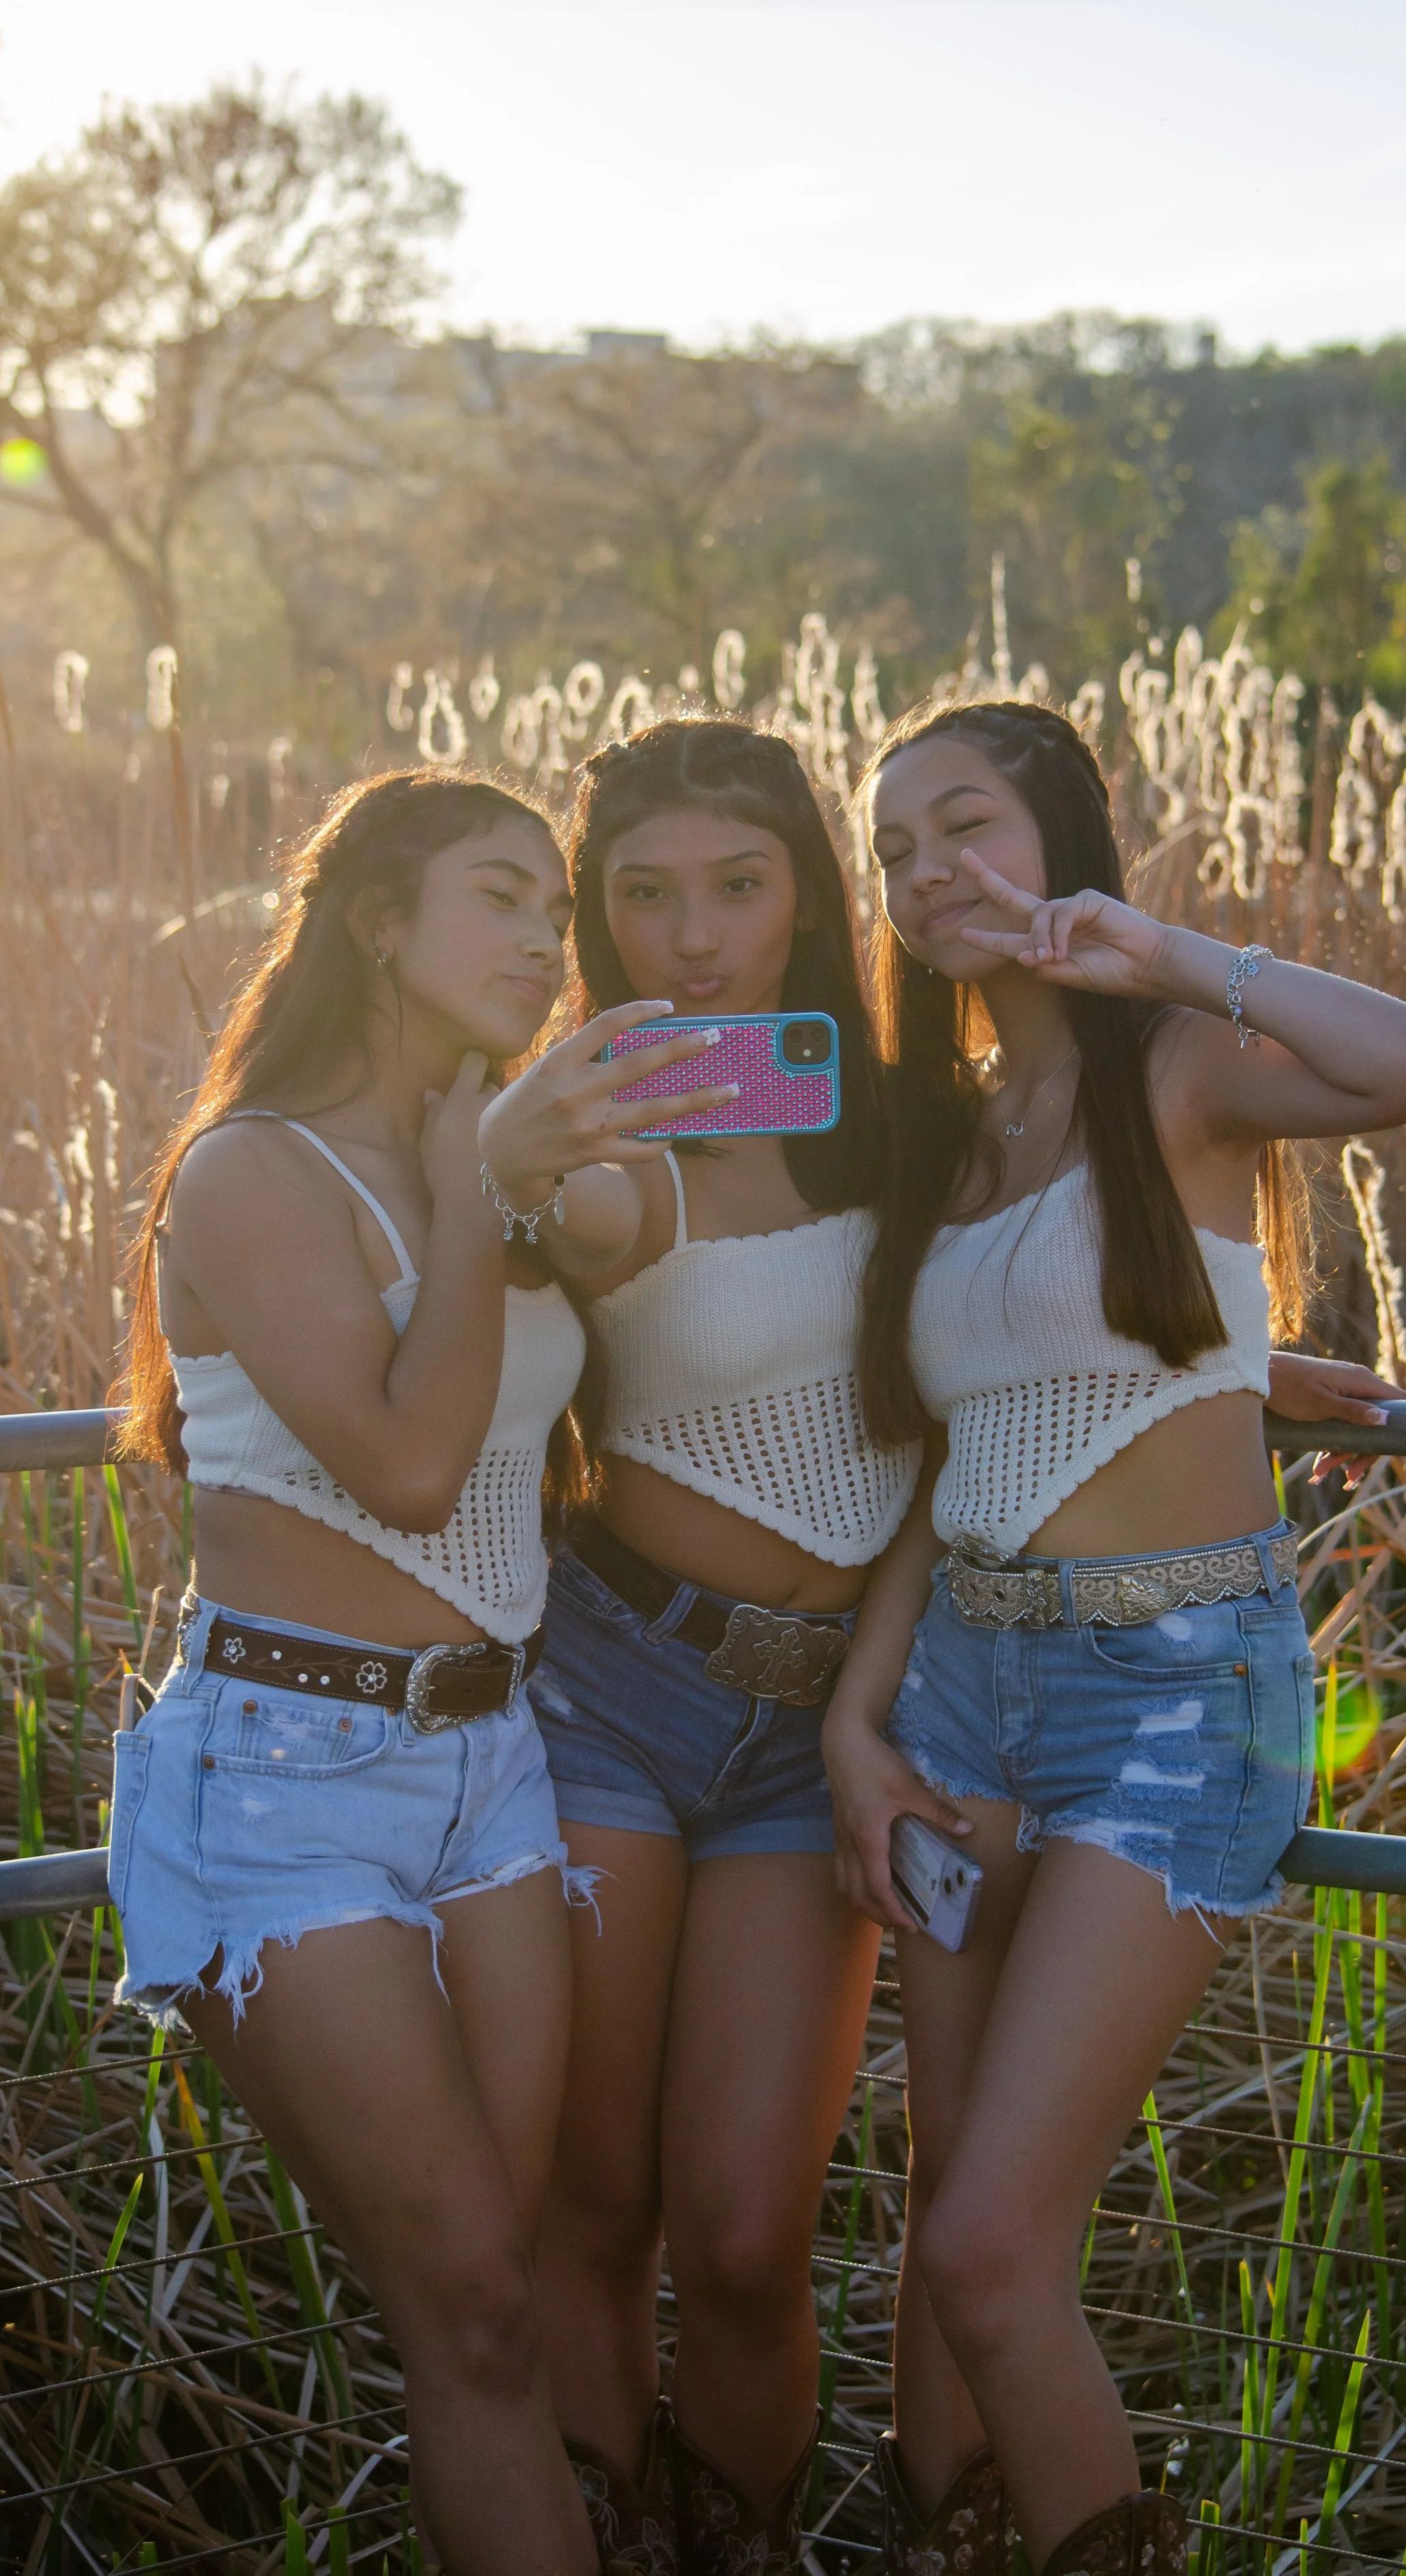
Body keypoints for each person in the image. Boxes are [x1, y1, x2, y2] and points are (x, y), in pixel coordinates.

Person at [481, 716, 1400, 2576]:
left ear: (810, 900)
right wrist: (518, 1167)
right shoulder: (590, 1119)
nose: (693, 935)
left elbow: (1009, 1333)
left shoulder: (912, 1122)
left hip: (856, 1707)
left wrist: (1214, 1353)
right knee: (595, 2203)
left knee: (752, 2235)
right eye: (642, 893)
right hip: (624, 1682)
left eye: (742, 884)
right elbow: (574, 1240)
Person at [821, 699, 1406, 2576]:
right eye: (894, 849)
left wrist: (1168, 951)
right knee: (945, 2209)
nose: (927, 871)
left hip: (1180, 1703)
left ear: (1061, 840)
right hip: (963, 1695)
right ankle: (943, 2540)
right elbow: (967, 1440)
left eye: (965, 824)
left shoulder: (1179, 1069)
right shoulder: (948, 1134)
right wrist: (859, 1724)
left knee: (986, 2247)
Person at [112, 769, 730, 2576]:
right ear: (379, 926)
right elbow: (406, 1466)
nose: (548, 936)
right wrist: (482, 1191)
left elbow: (641, 1237)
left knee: (500, 2304)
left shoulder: (496, 1158)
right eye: (499, 896)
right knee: (465, 2306)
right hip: (284, 1778)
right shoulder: (251, 1172)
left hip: (491, 1769)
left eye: (554, 904)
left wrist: (576, 1151)